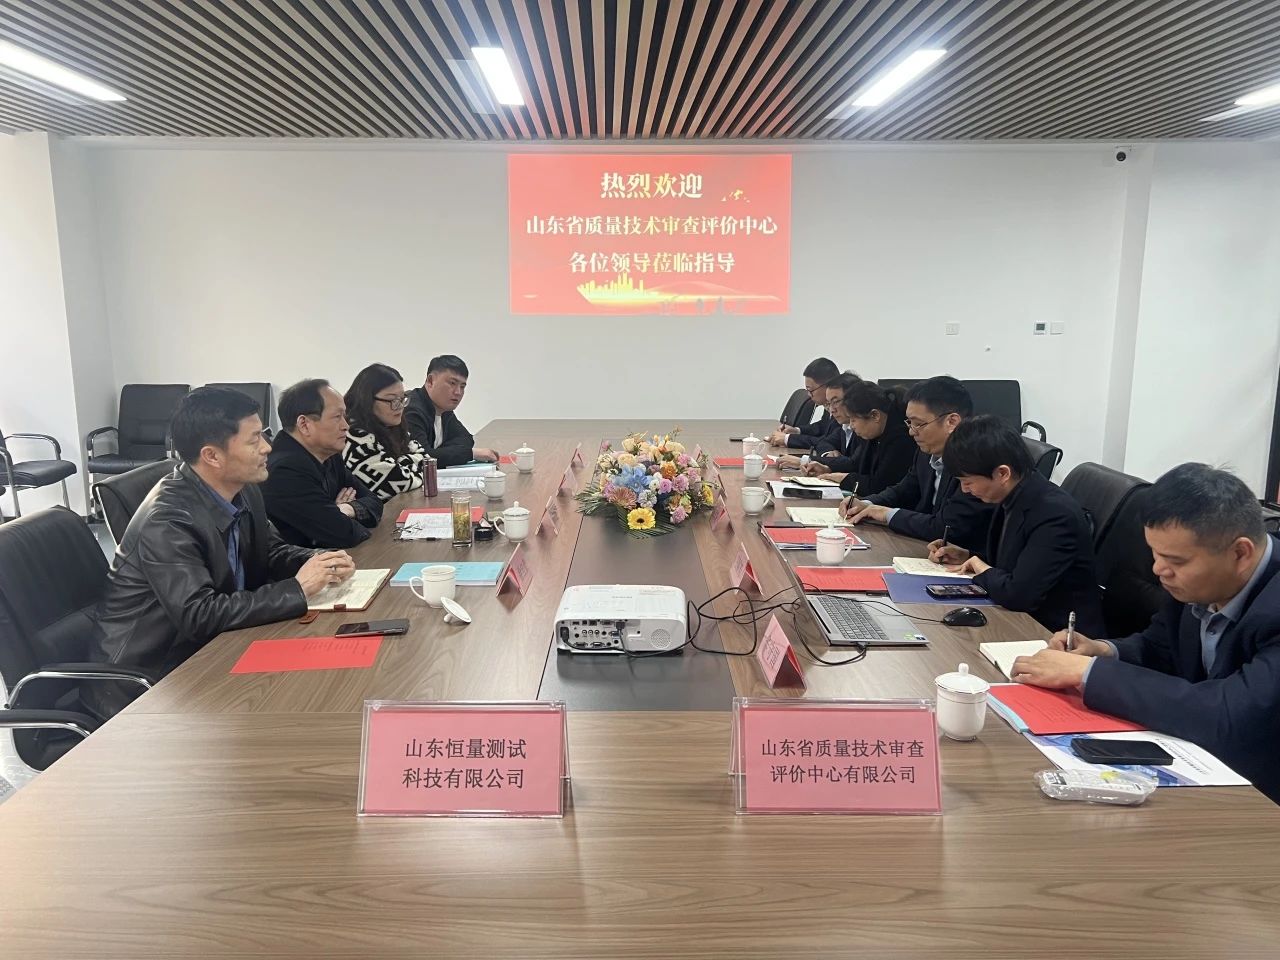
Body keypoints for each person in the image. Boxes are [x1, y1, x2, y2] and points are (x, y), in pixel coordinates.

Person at [1011, 463, 1280, 802]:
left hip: (1260, 795)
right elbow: (1161, 647)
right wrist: (1103, 650)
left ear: (1240, 553)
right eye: (1154, 553)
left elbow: (1229, 716)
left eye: (1175, 561)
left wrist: (1089, 673)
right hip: (1201, 763)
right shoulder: (1204, 582)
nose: (1158, 569)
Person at [88, 386, 354, 719]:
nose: (267, 447)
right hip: (150, 681)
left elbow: (271, 552)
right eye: (254, 440)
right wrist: (298, 589)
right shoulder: (167, 520)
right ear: (212, 456)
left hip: (213, 651)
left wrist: (320, 562)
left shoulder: (243, 490)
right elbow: (199, 614)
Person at [925, 415, 1104, 634]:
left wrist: (980, 567)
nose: (965, 490)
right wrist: (968, 555)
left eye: (968, 482)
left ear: (1002, 473)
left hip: (1056, 634)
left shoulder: (1054, 514)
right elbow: (1016, 560)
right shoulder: (1014, 494)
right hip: (1020, 620)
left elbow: (1019, 594)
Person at [841, 375, 993, 553]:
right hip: (927, 549)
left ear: (952, 422)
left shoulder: (977, 462)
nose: (911, 432)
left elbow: (946, 528)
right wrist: (867, 503)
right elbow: (904, 490)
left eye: (918, 424)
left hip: (963, 558)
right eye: (910, 423)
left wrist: (886, 514)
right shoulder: (925, 452)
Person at [262, 378, 383, 547]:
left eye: (344, 416)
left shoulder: (328, 454)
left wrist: (346, 509)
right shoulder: (285, 471)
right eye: (337, 417)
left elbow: (375, 502)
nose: (346, 426)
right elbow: (344, 533)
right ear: (304, 424)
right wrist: (338, 516)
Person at [342, 363, 427, 502]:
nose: (400, 406)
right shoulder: (355, 437)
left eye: (402, 398)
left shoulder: (393, 426)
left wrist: (399, 464)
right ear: (367, 400)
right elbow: (398, 483)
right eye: (392, 400)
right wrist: (405, 465)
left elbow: (426, 460)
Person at [820, 379, 917, 497]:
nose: (851, 426)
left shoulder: (902, 438)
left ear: (875, 415)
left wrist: (843, 478)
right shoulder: (874, 432)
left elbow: (878, 486)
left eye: (853, 420)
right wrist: (827, 468)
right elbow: (855, 464)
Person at [404, 355, 500, 466]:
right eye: (452, 383)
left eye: (462, 386)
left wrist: (442, 454)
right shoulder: (411, 410)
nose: (458, 392)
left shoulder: (444, 410)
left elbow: (466, 439)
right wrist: (471, 454)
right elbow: (423, 458)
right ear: (430, 381)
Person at [779, 372, 861, 471]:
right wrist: (828, 454)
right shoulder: (845, 426)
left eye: (835, 402)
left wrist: (805, 461)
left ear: (852, 400)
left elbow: (852, 464)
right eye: (829, 403)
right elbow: (823, 442)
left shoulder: (863, 430)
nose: (832, 410)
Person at [768, 357, 840, 449]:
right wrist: (797, 430)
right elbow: (822, 426)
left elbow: (827, 441)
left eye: (810, 390)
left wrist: (787, 439)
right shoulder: (828, 404)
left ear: (827, 386)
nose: (809, 395)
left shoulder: (842, 408)